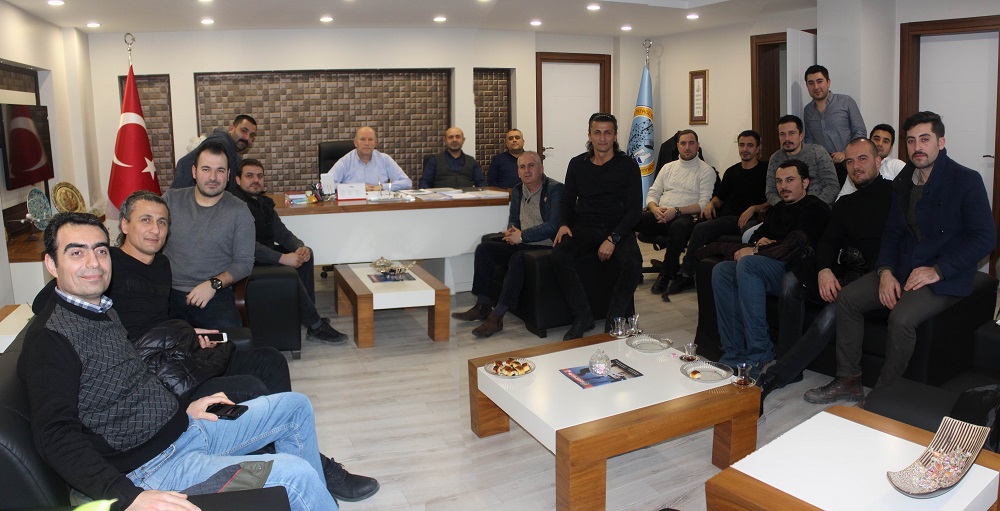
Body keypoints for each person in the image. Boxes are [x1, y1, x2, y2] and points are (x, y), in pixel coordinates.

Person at [18, 212, 339, 511]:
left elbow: (135, 382)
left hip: (184, 430)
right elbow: (54, 435)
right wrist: (129, 496)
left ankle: (309, 500)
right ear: (51, 263)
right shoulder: (50, 339)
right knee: (294, 474)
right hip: (153, 468)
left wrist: (183, 408)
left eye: (101, 251)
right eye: (76, 252)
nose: (94, 263)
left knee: (295, 407)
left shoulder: (102, 309)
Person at [804, 111, 996, 403]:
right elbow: (893, 233)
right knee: (848, 299)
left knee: (902, 318)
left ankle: (883, 395)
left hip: (946, 274)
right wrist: (885, 271)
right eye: (911, 140)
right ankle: (848, 380)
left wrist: (937, 270)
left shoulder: (966, 179)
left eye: (925, 139)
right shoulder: (904, 181)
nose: (917, 147)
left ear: (941, 142)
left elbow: (985, 238)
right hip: (904, 267)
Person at [758, 138, 892, 409]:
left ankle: (776, 375)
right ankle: (788, 358)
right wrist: (824, 269)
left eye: (863, 159)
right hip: (847, 271)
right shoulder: (845, 204)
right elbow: (828, 242)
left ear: (878, 162)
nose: (855, 166)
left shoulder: (895, 195)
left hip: (878, 277)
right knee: (792, 279)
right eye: (850, 161)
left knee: (836, 309)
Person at [712, 160, 830, 377]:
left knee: (748, 264)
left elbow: (797, 247)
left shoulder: (816, 208)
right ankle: (733, 352)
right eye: (779, 181)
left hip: (797, 271)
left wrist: (760, 249)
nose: (783, 186)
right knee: (722, 271)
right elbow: (758, 236)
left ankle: (760, 352)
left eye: (790, 180)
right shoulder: (778, 209)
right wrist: (759, 243)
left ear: (805, 182)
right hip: (769, 265)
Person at [233, 159, 349, 344]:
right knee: (288, 270)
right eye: (249, 176)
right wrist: (281, 257)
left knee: (306, 255)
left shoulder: (263, 202)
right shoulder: (235, 205)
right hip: (247, 260)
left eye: (259, 176)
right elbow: (246, 245)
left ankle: (308, 315)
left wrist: (298, 247)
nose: (256, 180)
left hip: (265, 253)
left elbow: (281, 232)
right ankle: (315, 326)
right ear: (238, 180)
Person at [452, 151, 563, 338]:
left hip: (545, 247)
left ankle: (496, 318)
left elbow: (553, 225)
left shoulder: (555, 189)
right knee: (485, 249)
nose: (526, 171)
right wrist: (512, 230)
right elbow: (514, 218)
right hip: (524, 242)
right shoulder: (518, 189)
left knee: (518, 258)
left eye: (531, 166)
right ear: (518, 172)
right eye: (522, 167)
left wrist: (522, 236)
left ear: (541, 168)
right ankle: (483, 305)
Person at [552, 112, 642, 341]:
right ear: (589, 135)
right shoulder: (577, 164)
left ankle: (614, 319)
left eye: (607, 133)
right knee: (559, 254)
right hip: (586, 225)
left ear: (615, 136)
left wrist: (613, 238)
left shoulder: (628, 165)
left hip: (618, 225)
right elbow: (567, 201)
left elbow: (634, 210)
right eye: (597, 132)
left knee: (634, 263)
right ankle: (583, 315)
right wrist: (563, 224)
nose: (602, 138)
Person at [163, 140, 255, 329]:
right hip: (167, 291)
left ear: (228, 175)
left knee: (229, 338)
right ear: (194, 172)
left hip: (214, 292)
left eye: (220, 170)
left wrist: (213, 284)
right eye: (206, 169)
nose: (213, 177)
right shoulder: (170, 201)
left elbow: (244, 263)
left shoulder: (239, 211)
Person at [669, 130, 768, 295]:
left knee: (748, 232)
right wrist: (711, 204)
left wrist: (753, 208)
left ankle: (743, 276)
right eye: (742, 145)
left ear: (758, 148)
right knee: (700, 228)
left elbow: (773, 200)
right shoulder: (732, 171)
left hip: (755, 219)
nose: (745, 149)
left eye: (750, 145)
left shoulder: (766, 170)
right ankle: (686, 274)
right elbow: (720, 198)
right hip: (730, 218)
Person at [635, 129, 715, 300]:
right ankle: (633, 268)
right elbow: (652, 193)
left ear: (698, 146)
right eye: (683, 143)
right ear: (677, 146)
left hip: (685, 217)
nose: (687, 147)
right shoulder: (668, 168)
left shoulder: (706, 171)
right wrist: (654, 208)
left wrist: (676, 211)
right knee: (632, 219)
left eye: (691, 143)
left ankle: (666, 274)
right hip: (660, 213)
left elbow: (703, 204)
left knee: (679, 227)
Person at [802, 65, 867, 176]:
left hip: (848, 164)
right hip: (822, 168)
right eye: (811, 83)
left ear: (828, 82)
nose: (816, 87)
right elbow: (809, 140)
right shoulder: (807, 110)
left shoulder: (846, 102)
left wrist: (846, 153)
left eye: (819, 81)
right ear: (807, 86)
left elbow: (860, 132)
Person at [765, 115, 840, 207]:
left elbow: (832, 186)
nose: (787, 138)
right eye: (782, 134)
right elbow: (770, 193)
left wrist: (812, 207)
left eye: (791, 133)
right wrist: (786, 208)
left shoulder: (818, 152)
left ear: (801, 136)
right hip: (786, 209)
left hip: (817, 208)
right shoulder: (775, 158)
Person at [172, 114, 258, 189]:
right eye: (244, 131)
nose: (247, 137)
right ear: (231, 128)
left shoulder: (234, 154)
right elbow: (184, 163)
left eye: (251, 135)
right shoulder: (219, 144)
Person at [327, 126, 412, 191]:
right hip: (353, 206)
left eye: (370, 139)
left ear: (375, 143)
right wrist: (358, 188)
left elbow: (407, 182)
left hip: (379, 205)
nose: (367, 143)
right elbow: (327, 185)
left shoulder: (385, 159)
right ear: (355, 143)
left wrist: (382, 187)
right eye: (363, 139)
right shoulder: (345, 161)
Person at [837, 123, 906, 198]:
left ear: (890, 148)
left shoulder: (896, 165)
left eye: (885, 141)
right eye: (876, 139)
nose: (880, 144)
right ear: (869, 142)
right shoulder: (857, 167)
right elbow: (842, 197)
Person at [419, 127, 486, 188]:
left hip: (466, 196)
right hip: (442, 197)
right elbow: (424, 183)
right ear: (445, 141)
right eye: (450, 137)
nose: (454, 140)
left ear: (463, 140)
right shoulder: (434, 160)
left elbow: (480, 183)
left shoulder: (472, 161)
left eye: (458, 137)